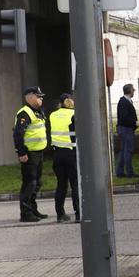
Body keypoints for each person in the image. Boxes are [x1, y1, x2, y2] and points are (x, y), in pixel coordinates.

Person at [13, 86, 50, 223]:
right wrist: (21, 152)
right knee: (30, 183)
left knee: (37, 182)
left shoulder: (38, 112)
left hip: (38, 152)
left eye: (41, 96)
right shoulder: (25, 113)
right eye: (38, 96)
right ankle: (26, 213)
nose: (41, 98)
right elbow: (18, 134)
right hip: (29, 153)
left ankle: (33, 209)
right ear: (30, 97)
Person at [48, 92, 80, 223]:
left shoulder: (53, 115)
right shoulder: (74, 114)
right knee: (75, 184)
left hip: (57, 154)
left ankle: (60, 214)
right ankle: (78, 213)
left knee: (61, 185)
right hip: (71, 152)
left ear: (60, 103)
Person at [115, 83, 139, 178]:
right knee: (128, 150)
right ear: (129, 91)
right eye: (133, 89)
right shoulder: (123, 102)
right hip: (126, 129)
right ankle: (130, 173)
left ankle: (120, 172)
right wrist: (134, 123)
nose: (134, 91)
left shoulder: (126, 101)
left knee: (124, 150)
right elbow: (124, 118)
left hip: (125, 129)